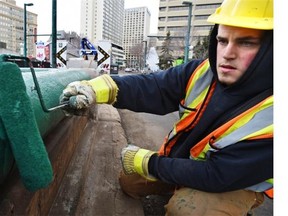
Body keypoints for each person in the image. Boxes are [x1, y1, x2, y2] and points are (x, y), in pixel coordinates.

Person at [60, 0, 273, 215]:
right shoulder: (202, 72)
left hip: (235, 182)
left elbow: (218, 175)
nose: (227, 53)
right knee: (129, 182)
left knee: (187, 210)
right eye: (222, 40)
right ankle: (182, 183)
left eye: (246, 43)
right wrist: (97, 89)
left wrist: (149, 162)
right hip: (188, 162)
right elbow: (153, 86)